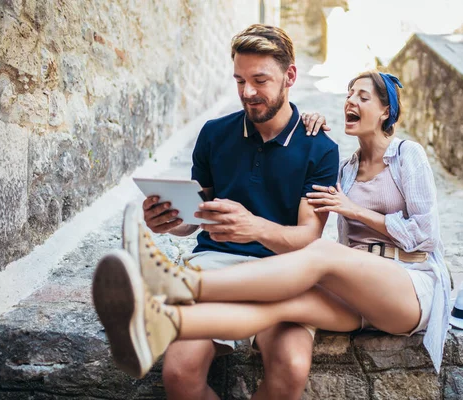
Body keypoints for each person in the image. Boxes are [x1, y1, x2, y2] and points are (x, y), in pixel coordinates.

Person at [92, 70, 453, 389]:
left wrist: (356, 210)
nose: (350, 102)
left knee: (321, 253)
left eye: (362, 96)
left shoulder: (408, 155)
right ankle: (163, 321)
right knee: (279, 305)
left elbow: (426, 235)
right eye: (348, 95)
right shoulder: (345, 169)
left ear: (386, 111)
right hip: (357, 296)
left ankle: (171, 280)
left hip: (408, 280)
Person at [120, 24, 339, 400]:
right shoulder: (213, 134)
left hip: (284, 272)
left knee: (291, 368)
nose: (248, 93)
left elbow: (308, 238)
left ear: (290, 76)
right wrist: (170, 222)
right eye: (240, 80)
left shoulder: (320, 149)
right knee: (179, 373)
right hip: (213, 264)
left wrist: (252, 227)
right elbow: (197, 216)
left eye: (259, 80)